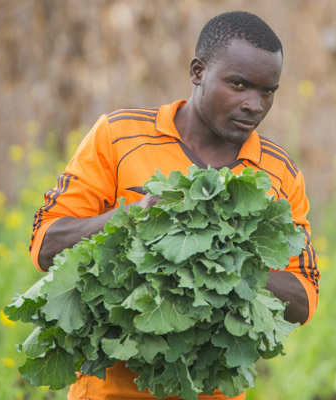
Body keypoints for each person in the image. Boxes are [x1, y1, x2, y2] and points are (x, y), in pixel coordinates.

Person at [29, 10, 320, 400]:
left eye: (268, 91)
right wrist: (131, 218)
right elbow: (46, 244)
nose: (254, 104)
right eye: (239, 84)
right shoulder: (117, 136)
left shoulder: (280, 173)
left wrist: (224, 266)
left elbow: (303, 296)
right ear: (198, 72)